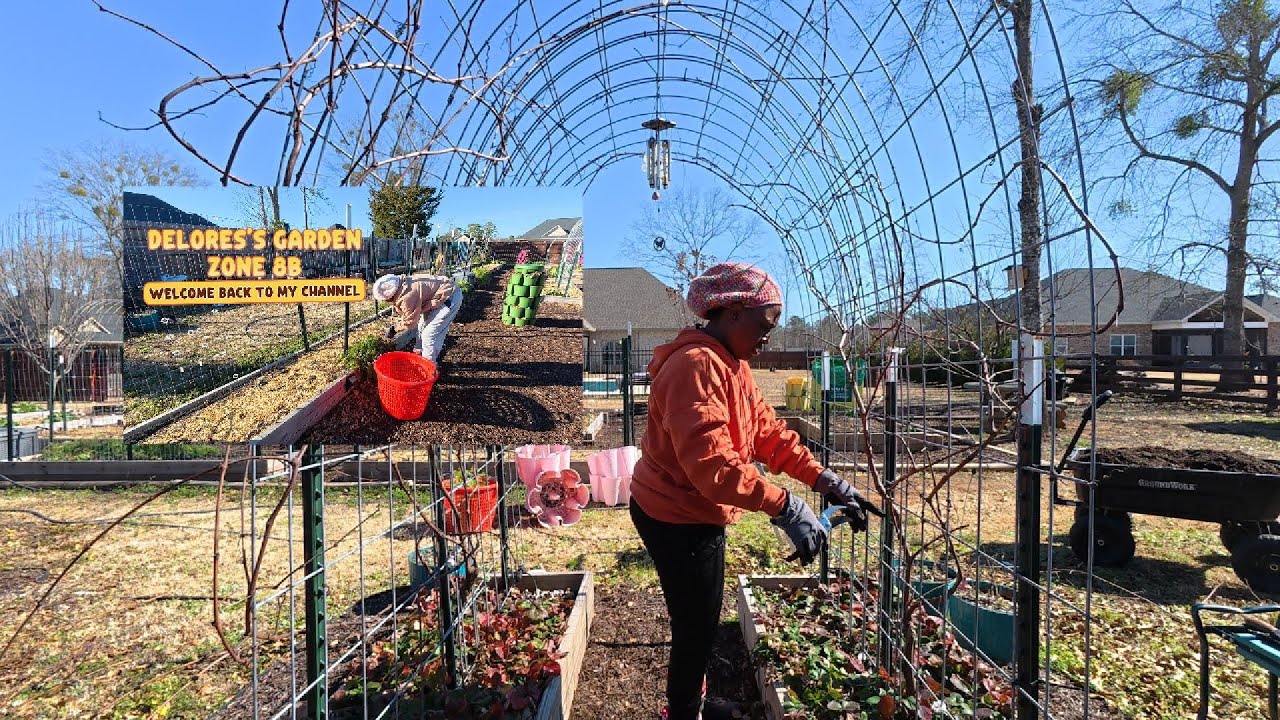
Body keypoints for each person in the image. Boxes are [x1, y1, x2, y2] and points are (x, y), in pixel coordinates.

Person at [629, 262, 881, 720]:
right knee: (696, 625)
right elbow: (714, 468)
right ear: (730, 313)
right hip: (674, 514)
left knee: (700, 616)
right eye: (764, 326)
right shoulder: (695, 367)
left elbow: (768, 433)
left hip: (694, 507)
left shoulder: (732, 365)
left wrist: (824, 480)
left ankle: (694, 702)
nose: (768, 339)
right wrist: (785, 506)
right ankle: (683, 712)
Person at [371, 272, 463, 364]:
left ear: (390, 295)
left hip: (449, 297)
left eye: (384, 299)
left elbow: (410, 321)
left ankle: (428, 367)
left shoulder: (407, 296)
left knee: (429, 335)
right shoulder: (403, 283)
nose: (385, 301)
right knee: (421, 327)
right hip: (437, 296)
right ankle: (418, 355)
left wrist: (394, 329)